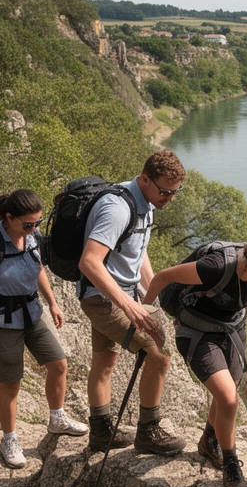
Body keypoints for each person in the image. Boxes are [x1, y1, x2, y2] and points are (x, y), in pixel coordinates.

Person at [142, 230, 247, 487]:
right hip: (197, 332)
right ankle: (231, 462)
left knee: (229, 391)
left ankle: (209, 440)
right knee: (228, 398)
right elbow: (162, 277)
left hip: (232, 331)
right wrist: (142, 314)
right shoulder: (216, 267)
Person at [0, 190, 86, 468]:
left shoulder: (31, 236)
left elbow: (37, 267)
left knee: (58, 363)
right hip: (0, 319)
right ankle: (9, 439)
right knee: (11, 382)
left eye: (37, 223)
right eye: (28, 224)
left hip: (31, 313)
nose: (34, 229)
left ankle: (56, 418)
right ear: (9, 218)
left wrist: (52, 302)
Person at [78, 149, 185, 456]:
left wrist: (153, 293)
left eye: (175, 192)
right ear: (144, 179)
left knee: (105, 361)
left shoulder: (146, 203)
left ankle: (100, 431)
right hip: (102, 298)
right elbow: (90, 262)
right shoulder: (117, 208)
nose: (169, 198)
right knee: (158, 352)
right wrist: (130, 305)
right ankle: (148, 431)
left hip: (117, 293)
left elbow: (137, 253)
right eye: (165, 191)